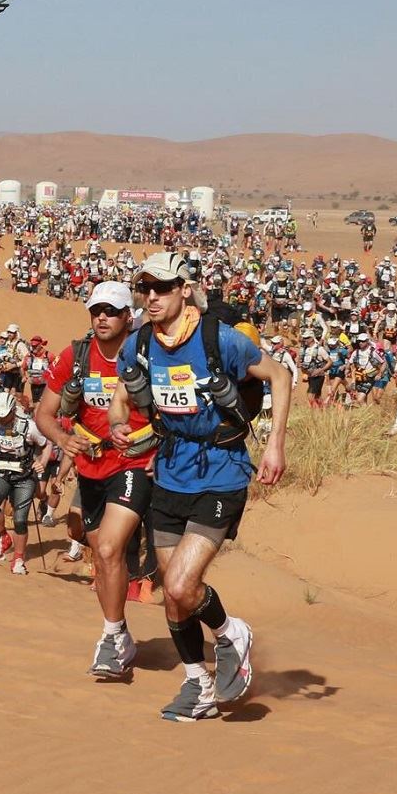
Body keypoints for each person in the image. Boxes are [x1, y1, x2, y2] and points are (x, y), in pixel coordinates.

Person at [113, 252, 290, 721]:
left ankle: (233, 632)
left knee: (179, 582)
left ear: (184, 290)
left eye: (162, 287)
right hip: (170, 470)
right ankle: (199, 684)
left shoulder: (219, 339)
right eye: (144, 288)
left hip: (222, 470)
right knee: (173, 595)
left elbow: (280, 375)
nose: (151, 297)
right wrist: (118, 422)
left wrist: (275, 445)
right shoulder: (139, 345)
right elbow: (124, 392)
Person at [0, 389, 51, 570]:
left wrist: (43, 462)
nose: (1, 419)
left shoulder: (29, 426)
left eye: (4, 415)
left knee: (20, 520)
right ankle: (2, 537)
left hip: (24, 476)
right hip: (1, 471)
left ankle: (18, 559)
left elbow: (46, 444)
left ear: (12, 411)